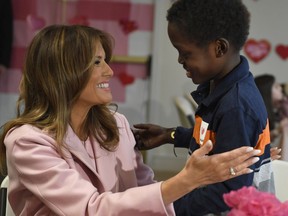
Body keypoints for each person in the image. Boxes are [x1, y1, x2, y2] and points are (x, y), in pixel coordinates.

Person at [0, 24, 261, 216]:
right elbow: (90, 210)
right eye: (97, 62)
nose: (110, 71)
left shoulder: (115, 124)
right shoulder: (27, 142)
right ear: (63, 73)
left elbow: (144, 188)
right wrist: (187, 180)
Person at [133, 0, 274, 215]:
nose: (180, 60)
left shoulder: (236, 107)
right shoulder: (218, 86)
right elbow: (213, 139)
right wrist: (169, 135)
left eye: (185, 53)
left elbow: (227, 194)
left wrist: (167, 207)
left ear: (219, 48)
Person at [255, 74, 288, 161]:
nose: (281, 89)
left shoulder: (277, 113)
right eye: (276, 87)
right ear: (267, 91)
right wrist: (283, 129)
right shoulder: (259, 117)